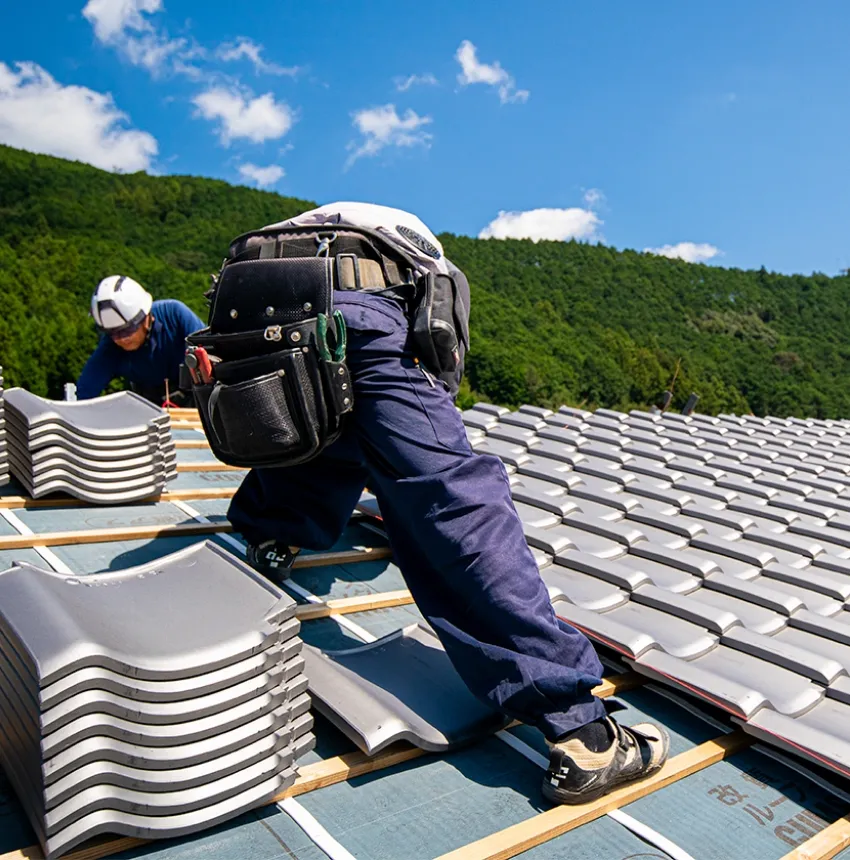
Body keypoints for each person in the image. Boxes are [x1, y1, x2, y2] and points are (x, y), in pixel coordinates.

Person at [224, 203, 670, 806]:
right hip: (355, 301)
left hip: (247, 308)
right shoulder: (430, 279)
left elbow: (352, 422)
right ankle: (579, 729)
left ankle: (270, 537)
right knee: (455, 500)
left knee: (321, 425)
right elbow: (432, 393)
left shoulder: (343, 224)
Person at [76, 275, 204, 406]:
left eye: (127, 330)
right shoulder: (111, 346)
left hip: (199, 402)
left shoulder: (175, 316)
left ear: (146, 317)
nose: (122, 339)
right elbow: (84, 392)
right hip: (148, 409)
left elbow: (210, 356)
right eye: (112, 333)